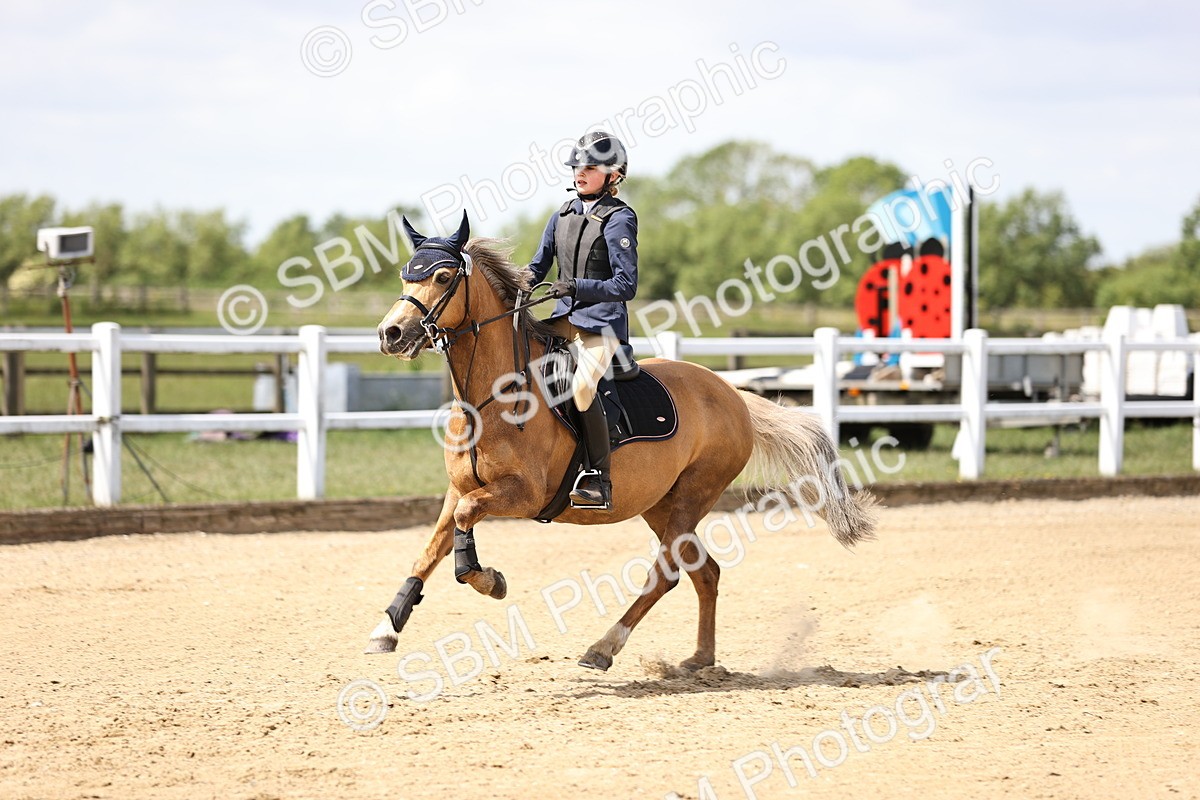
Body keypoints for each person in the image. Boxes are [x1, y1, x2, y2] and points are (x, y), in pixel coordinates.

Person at [527, 131, 638, 509]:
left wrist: (575, 285)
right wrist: (508, 285)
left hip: (600, 326)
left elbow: (626, 284)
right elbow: (537, 266)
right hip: (562, 320)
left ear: (614, 174)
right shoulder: (562, 214)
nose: (580, 172)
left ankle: (598, 478)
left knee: (581, 389)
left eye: (590, 167)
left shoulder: (620, 218)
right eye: (577, 166)